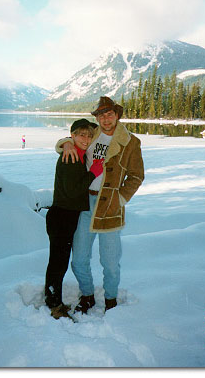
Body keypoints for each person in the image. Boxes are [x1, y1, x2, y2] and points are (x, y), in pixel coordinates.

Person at [55, 96, 144, 314]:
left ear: (117, 115)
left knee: (110, 262)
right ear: (97, 117)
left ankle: (111, 300)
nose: (105, 118)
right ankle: (87, 296)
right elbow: (75, 139)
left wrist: (120, 199)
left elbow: (136, 176)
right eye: (101, 115)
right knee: (79, 259)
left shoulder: (130, 142)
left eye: (110, 114)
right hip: (85, 204)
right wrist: (65, 143)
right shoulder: (93, 134)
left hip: (111, 207)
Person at [45, 119, 102, 319]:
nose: (85, 139)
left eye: (88, 135)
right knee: (58, 264)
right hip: (62, 216)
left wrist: (66, 142)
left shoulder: (76, 152)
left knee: (58, 261)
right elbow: (73, 191)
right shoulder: (70, 157)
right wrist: (94, 172)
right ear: (73, 135)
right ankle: (54, 305)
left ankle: (53, 299)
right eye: (81, 135)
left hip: (65, 216)